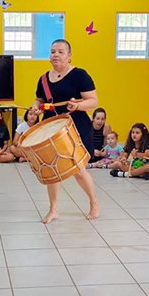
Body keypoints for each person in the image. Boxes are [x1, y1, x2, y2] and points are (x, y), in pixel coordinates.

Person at [31, 39, 100, 223]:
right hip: (51, 127)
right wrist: (36, 107)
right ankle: (53, 210)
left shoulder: (79, 75)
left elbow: (93, 101)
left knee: (78, 170)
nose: (56, 55)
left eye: (61, 52)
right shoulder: (44, 79)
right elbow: (39, 100)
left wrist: (77, 106)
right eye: (53, 51)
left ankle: (94, 203)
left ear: (69, 56)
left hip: (75, 125)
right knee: (52, 169)